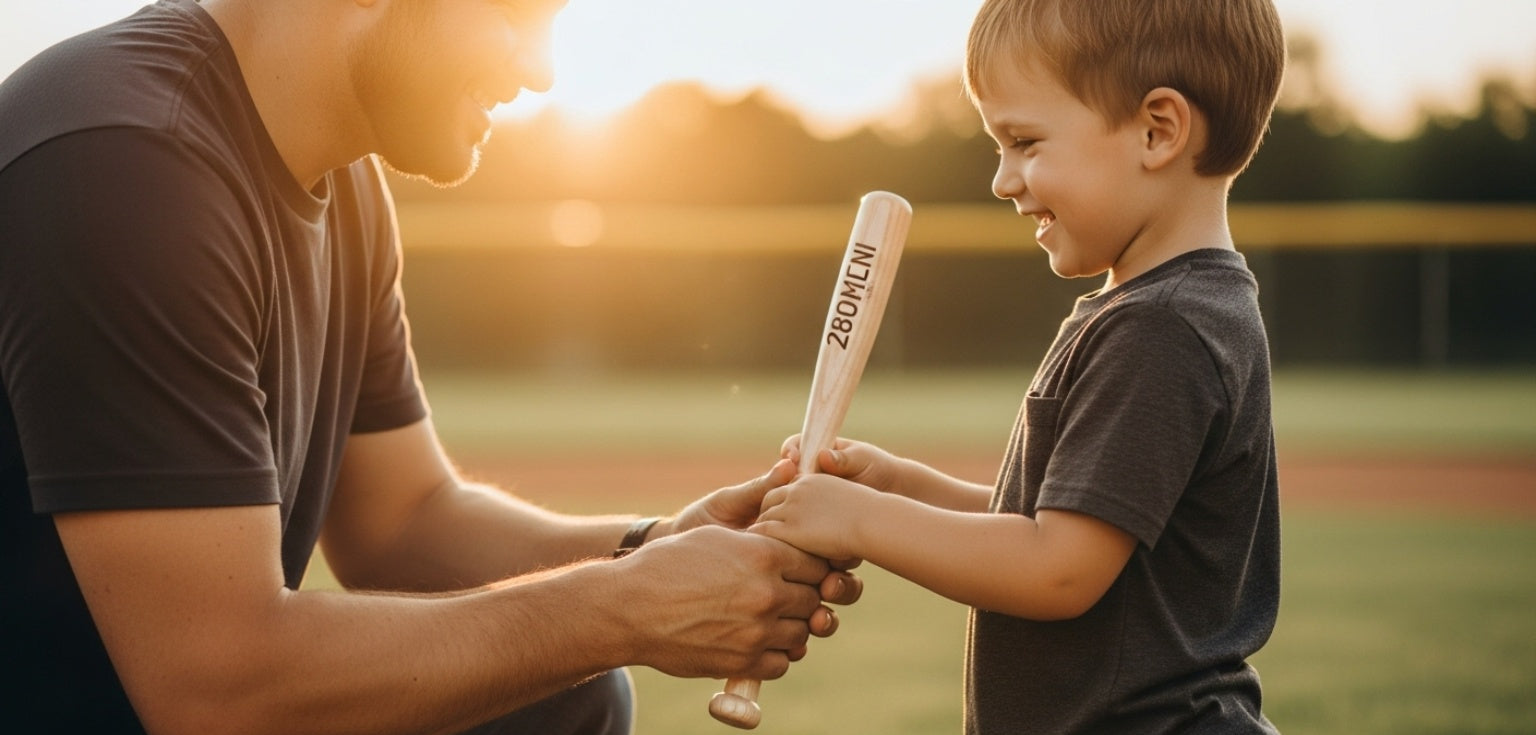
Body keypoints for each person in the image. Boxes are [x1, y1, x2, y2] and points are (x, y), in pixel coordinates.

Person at [0, 1, 862, 733]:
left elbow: (404, 520)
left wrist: (650, 547)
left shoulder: (347, 186)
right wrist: (624, 604)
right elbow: (216, 685)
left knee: (567, 694)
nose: (541, 71)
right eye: (518, 15)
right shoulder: (125, 155)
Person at [752, 0, 1286, 732]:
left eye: (1025, 141)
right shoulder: (1158, 307)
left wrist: (863, 519)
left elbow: (1057, 568)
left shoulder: (1161, 326)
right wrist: (900, 485)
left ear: (1157, 130)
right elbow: (1056, 525)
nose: (1003, 179)